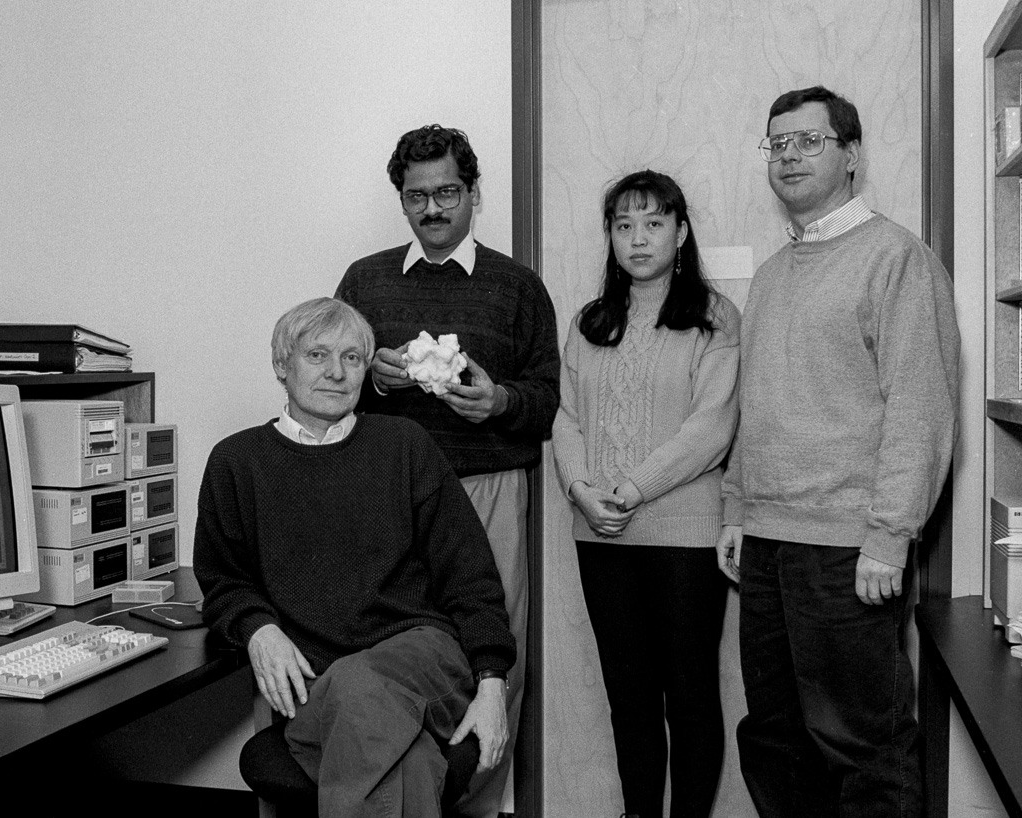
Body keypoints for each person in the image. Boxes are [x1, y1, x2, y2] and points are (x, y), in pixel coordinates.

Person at [716, 86, 959, 818]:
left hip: (849, 555)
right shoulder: (770, 276)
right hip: (765, 545)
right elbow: (756, 405)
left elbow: (920, 406)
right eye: (776, 142)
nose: (788, 155)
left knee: (864, 748)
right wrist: (737, 506)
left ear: (850, 156)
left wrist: (889, 537)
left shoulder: (897, 260)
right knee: (776, 738)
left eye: (808, 141)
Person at [193, 297, 516, 818]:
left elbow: (471, 578)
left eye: (351, 358)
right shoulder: (238, 461)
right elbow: (222, 578)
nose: (336, 372)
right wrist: (257, 628)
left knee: (355, 684)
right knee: (399, 751)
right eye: (317, 355)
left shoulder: (405, 445)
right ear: (282, 365)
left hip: (423, 660)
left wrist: (492, 684)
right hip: (315, 687)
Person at [336, 124, 559, 817]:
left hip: (488, 486)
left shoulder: (517, 286)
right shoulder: (364, 280)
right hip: (386, 492)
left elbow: (546, 401)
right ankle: (407, 795)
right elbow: (327, 380)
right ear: (400, 199)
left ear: (474, 194)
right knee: (391, 647)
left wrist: (498, 401)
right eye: (417, 197)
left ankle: (477, 804)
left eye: (447, 194)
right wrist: (372, 377)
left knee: (492, 652)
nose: (433, 210)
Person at [551, 170, 740, 818]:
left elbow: (712, 427)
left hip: (684, 535)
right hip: (599, 535)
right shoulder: (589, 322)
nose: (638, 238)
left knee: (688, 695)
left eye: (654, 223)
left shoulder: (713, 317)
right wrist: (579, 488)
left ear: (681, 232)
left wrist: (632, 487)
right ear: (610, 236)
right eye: (624, 225)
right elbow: (566, 418)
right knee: (627, 696)